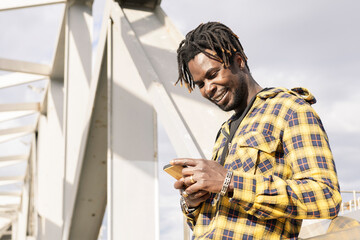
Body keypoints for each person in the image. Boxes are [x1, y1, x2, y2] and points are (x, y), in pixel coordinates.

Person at [170, 22, 342, 239]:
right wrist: (193, 203)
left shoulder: (289, 110)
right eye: (201, 84)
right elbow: (217, 225)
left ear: (239, 61)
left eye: (212, 74)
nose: (208, 89)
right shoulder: (224, 132)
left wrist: (230, 181)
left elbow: (326, 198)